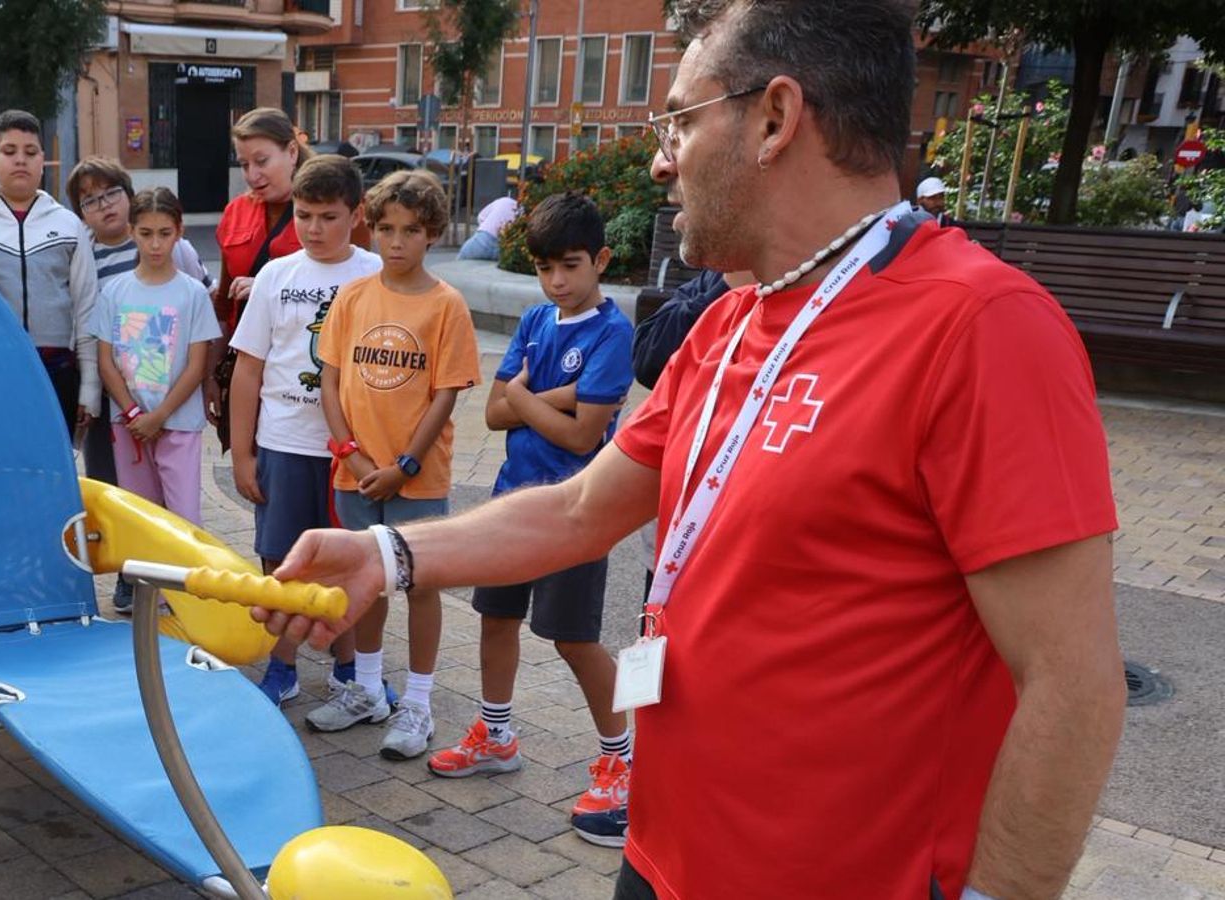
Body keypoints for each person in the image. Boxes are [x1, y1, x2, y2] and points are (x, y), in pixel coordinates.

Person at [257, 2, 1126, 898]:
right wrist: (384, 552)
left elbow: (1074, 686)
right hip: (665, 855)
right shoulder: (724, 326)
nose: (660, 157)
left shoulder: (983, 327)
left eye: (678, 118)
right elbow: (581, 508)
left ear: (776, 118)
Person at [425, 193, 636, 849]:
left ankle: (623, 761)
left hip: (577, 510)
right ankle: (496, 732)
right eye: (545, 268)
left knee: (573, 639)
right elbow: (491, 413)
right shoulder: (536, 318)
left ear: (599, 260)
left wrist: (520, 394)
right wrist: (543, 399)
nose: (557, 281)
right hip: (512, 498)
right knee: (496, 618)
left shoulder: (613, 331)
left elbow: (581, 440)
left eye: (570, 265)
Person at [302, 171, 480, 760]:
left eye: (410, 230)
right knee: (367, 582)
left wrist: (403, 465)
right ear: (370, 228)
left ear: (431, 235)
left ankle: (420, 704)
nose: (395, 242)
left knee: (421, 586)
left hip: (416, 477)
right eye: (384, 228)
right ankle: (369, 691)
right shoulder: (352, 297)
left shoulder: (446, 305)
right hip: (357, 469)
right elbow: (330, 380)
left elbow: (445, 393)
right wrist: (352, 452)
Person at [227, 155, 381, 706]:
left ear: (357, 214)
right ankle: (283, 664)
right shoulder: (276, 275)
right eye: (303, 214)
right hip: (284, 442)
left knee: (346, 561)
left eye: (328, 216)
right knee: (281, 562)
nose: (313, 229)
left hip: (353, 454)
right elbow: (248, 369)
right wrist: (241, 454)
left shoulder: (374, 274)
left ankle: (347, 665)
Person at [208, 107, 369, 449]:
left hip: (318, 381)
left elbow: (361, 283)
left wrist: (270, 287)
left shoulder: (338, 206)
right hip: (249, 367)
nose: (252, 174)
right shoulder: (235, 212)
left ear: (292, 151)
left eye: (262, 161)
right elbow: (223, 303)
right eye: (243, 164)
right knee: (261, 480)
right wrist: (213, 373)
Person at [0, 110, 100, 439]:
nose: (20, 161)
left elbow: (86, 308)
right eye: (9, 151)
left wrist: (90, 386)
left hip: (57, 372)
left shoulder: (69, 226)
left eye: (30, 152)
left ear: (43, 160)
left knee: (52, 474)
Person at [66, 156, 215, 488]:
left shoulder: (175, 249)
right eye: (90, 200)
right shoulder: (84, 257)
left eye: (111, 193)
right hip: (117, 400)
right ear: (81, 214)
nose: (103, 205)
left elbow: (204, 310)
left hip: (172, 398)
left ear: (129, 195)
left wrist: (210, 381)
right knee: (115, 483)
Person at [92, 188, 219, 526]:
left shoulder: (192, 293)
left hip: (177, 423)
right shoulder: (114, 292)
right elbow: (106, 361)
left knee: (184, 521)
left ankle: (183, 581)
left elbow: (197, 365)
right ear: (131, 231)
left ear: (179, 231)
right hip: (129, 424)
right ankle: (143, 582)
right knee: (142, 523)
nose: (155, 245)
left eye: (164, 234)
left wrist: (159, 415)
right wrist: (135, 413)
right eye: (146, 234)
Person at [456, 195, 518, 261]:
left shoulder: (504, 201)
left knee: (459, 264)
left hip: (482, 239)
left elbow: (480, 217)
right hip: (503, 246)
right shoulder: (523, 211)